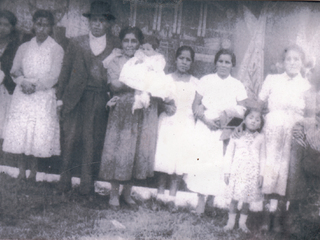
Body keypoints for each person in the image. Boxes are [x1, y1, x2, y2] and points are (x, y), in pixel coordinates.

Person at [99, 26, 176, 211]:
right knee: (121, 151)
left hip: (145, 110)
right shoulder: (116, 61)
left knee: (138, 150)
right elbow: (115, 84)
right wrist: (138, 81)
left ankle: (127, 193)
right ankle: (114, 193)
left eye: (134, 41)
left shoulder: (151, 61)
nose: (130, 44)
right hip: (124, 110)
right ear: (121, 42)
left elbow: (159, 83)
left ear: (140, 44)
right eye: (126, 40)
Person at [57, 1, 120, 195]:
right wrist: (60, 98)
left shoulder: (115, 44)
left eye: (102, 21)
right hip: (74, 98)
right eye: (94, 20)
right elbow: (65, 70)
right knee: (69, 139)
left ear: (108, 24)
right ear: (88, 22)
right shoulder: (76, 42)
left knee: (91, 142)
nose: (97, 24)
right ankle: (63, 183)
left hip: (98, 98)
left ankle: (87, 186)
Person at [2, 10, 64, 181]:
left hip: (42, 96)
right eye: (38, 24)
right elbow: (14, 70)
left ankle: (34, 173)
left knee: (37, 132)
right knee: (23, 131)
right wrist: (23, 82)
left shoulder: (56, 49)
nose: (41, 28)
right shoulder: (24, 47)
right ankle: (22, 171)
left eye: (45, 25)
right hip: (23, 93)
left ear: (51, 27)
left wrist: (36, 86)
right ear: (33, 24)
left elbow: (54, 75)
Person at [184, 49, 248, 215]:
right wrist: (206, 120)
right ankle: (200, 202)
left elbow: (242, 110)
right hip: (205, 126)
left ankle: (211, 202)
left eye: (227, 62)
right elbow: (195, 105)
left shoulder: (237, 85)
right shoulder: (206, 80)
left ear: (232, 65)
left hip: (223, 130)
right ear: (215, 62)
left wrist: (226, 119)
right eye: (220, 61)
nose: (223, 65)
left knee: (217, 165)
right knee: (201, 162)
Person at [258, 45, 312, 232]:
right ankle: (266, 216)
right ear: (282, 62)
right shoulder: (272, 80)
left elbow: (309, 112)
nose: (292, 62)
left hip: (294, 131)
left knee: (287, 172)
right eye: (288, 59)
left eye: (296, 59)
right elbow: (259, 104)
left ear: (302, 63)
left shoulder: (306, 85)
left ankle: (280, 216)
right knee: (270, 167)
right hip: (273, 128)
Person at [153, 46, 198, 211]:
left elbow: (197, 105)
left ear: (192, 62)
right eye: (181, 58)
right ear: (176, 59)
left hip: (185, 123)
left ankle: (172, 198)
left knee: (179, 162)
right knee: (164, 161)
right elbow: (155, 99)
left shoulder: (195, 83)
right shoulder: (166, 79)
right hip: (168, 122)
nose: (184, 62)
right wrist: (164, 105)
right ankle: (159, 197)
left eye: (188, 59)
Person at [223, 107, 265, 232]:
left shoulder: (261, 138)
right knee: (234, 199)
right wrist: (227, 172)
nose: (253, 121)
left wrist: (261, 175)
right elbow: (229, 154)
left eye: (257, 120)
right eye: (251, 118)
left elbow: (263, 158)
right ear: (244, 120)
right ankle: (230, 223)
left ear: (260, 124)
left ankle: (242, 223)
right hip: (237, 172)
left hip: (252, 173)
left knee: (247, 199)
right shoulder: (236, 135)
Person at [118, 35, 169, 113]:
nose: (145, 51)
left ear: (156, 50)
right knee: (138, 87)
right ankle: (137, 101)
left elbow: (159, 67)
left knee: (147, 89)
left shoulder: (158, 58)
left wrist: (152, 66)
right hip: (141, 75)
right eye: (143, 49)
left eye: (148, 49)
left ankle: (145, 99)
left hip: (151, 76)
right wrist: (138, 62)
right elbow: (134, 61)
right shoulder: (142, 55)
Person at [0, 10, 19, 154]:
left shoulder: (15, 46)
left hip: (6, 90)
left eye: (6, 25)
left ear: (12, 27)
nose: (2, 28)